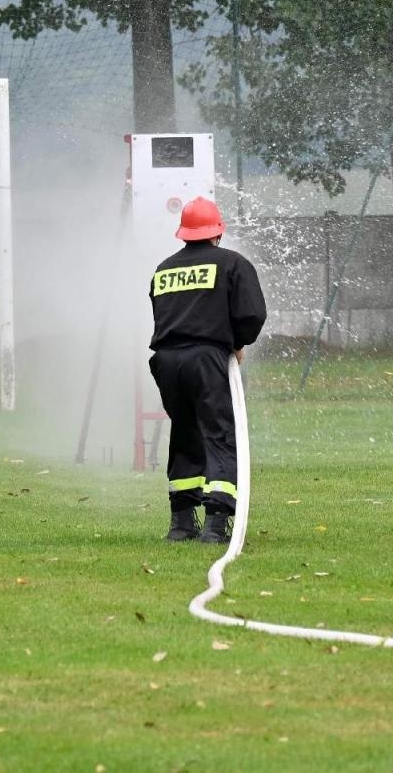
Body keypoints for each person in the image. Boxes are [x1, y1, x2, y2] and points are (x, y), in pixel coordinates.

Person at [146, 196, 266, 544]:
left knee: (185, 432)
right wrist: (237, 343)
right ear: (217, 233)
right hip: (206, 359)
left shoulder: (164, 268)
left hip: (166, 361)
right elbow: (252, 315)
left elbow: (161, 312)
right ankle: (215, 525)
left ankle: (181, 524)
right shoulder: (232, 263)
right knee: (218, 433)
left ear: (183, 233)